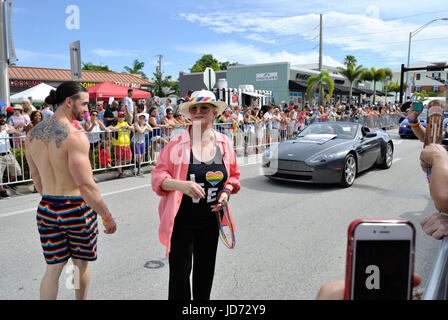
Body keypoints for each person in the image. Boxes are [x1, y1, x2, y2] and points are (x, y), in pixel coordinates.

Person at [24, 82, 116, 300]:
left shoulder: (32, 134)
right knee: (79, 265)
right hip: (76, 208)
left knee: (53, 268)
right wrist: (106, 215)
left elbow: (36, 177)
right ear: (68, 102)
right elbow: (85, 184)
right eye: (84, 103)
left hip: (47, 206)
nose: (86, 109)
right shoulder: (74, 136)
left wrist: (50, 197)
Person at [151, 90, 240, 300]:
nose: (198, 112)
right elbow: (157, 176)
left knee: (205, 273)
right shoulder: (177, 142)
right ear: (189, 113)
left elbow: (234, 176)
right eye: (194, 108)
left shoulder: (224, 143)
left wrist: (226, 193)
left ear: (214, 113)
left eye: (204, 108)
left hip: (211, 220)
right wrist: (180, 185)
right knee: (180, 277)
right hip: (182, 221)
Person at [0, 112, 23, 198]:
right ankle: (2, 190)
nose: (2, 119)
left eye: (4, 117)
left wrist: (14, 131)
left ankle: (9, 182)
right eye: (1, 117)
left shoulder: (8, 126)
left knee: (17, 170)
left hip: (8, 154)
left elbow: (20, 134)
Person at [108, 111, 132, 178]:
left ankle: (118, 166)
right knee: (119, 159)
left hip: (126, 144)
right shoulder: (115, 122)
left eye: (122, 116)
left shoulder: (126, 123)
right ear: (117, 117)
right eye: (120, 116)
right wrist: (120, 127)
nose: (121, 118)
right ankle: (120, 172)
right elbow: (110, 127)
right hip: (118, 144)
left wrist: (128, 127)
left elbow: (133, 127)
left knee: (129, 159)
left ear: (124, 117)